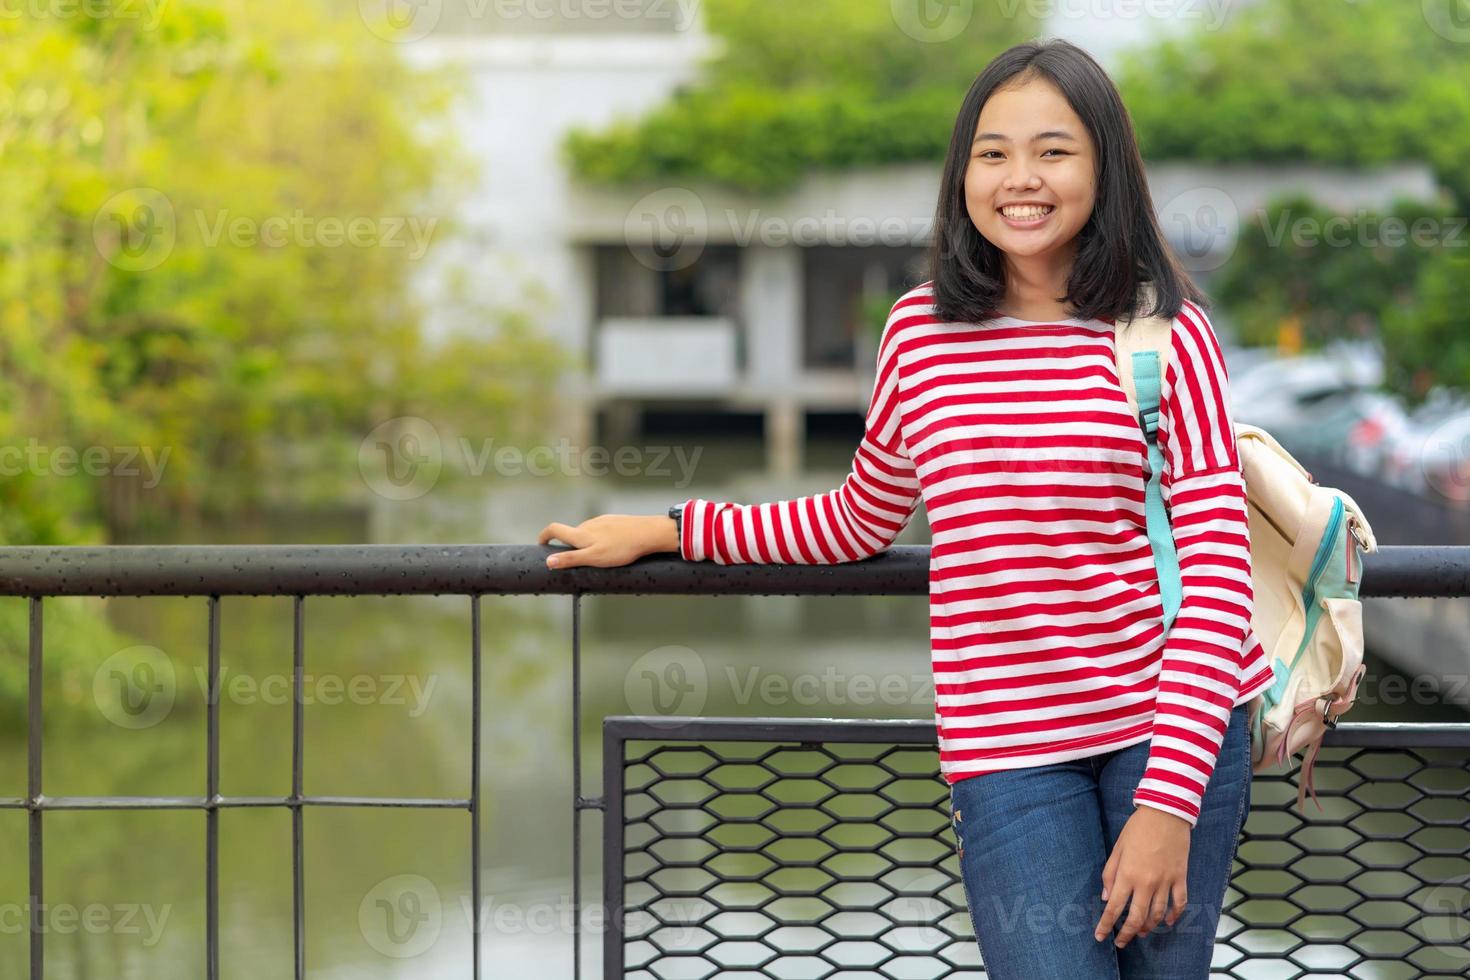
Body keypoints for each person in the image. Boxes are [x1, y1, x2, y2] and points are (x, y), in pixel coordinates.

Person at [538, 37, 1273, 980]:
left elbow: (1217, 571)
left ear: (1105, 167)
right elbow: (857, 518)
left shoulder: (1166, 332)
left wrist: (1168, 804)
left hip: (1171, 732)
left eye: (1054, 151)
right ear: (962, 171)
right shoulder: (921, 335)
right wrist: (670, 529)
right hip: (1010, 754)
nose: (1022, 179)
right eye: (994, 152)